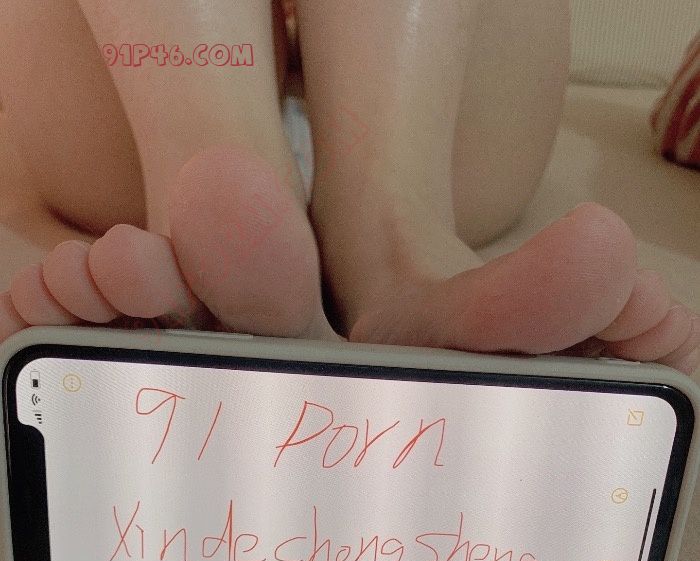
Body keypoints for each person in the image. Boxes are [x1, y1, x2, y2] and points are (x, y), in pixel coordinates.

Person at [0, 0, 698, 373]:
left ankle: (385, 251)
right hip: (127, 109)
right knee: (217, 181)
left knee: (218, 183)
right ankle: (384, 251)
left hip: (444, 116)